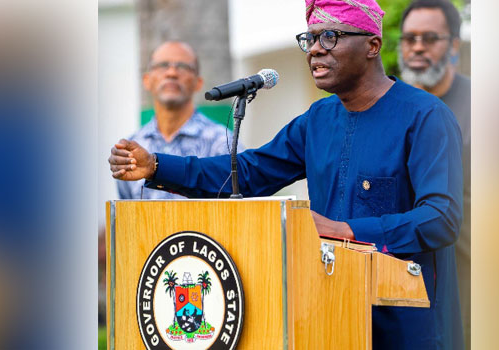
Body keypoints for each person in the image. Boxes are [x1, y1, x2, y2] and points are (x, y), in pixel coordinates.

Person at [109, 0, 463, 348]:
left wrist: (345, 231)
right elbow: (245, 173)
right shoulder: (318, 121)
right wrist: (157, 166)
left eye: (330, 37)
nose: (315, 52)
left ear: (372, 45)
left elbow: (441, 218)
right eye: (310, 39)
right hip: (332, 319)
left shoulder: (425, 116)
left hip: (407, 329)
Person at [399, 0, 471, 347]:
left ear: (454, 47)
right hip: (408, 288)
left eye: (430, 38)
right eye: (409, 38)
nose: (417, 48)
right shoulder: (391, 111)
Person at [117, 41, 241, 199]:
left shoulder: (223, 143)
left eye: (182, 66)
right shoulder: (133, 148)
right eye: (162, 65)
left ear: (198, 83)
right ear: (146, 80)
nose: (171, 73)